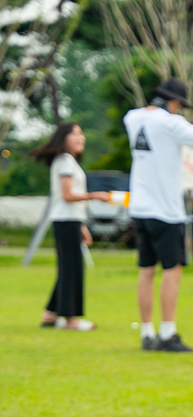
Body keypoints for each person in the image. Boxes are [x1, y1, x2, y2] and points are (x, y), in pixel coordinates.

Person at [123, 78, 193, 352]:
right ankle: (167, 332)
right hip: (166, 209)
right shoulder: (170, 122)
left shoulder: (133, 118)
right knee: (172, 271)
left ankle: (146, 331)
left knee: (146, 271)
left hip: (139, 207)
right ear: (174, 102)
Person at [35, 123, 109, 331]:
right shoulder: (66, 161)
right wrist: (96, 196)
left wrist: (81, 227)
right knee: (71, 269)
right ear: (63, 138)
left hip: (70, 221)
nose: (80, 137)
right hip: (65, 220)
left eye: (81, 133)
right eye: (74, 134)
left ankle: (51, 314)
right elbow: (67, 196)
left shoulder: (68, 161)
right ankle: (71, 319)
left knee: (68, 268)